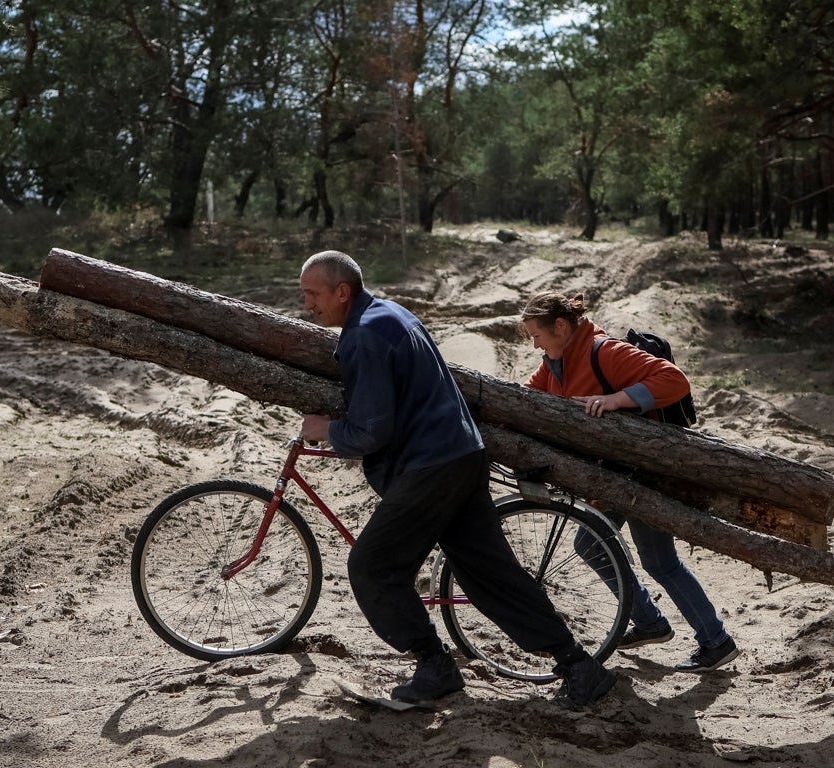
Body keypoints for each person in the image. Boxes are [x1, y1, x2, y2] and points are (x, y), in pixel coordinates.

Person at [298, 251, 616, 707]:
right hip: (461, 453)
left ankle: (434, 664)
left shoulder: (364, 335)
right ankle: (578, 666)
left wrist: (326, 430)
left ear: (341, 291)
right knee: (489, 571)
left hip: (430, 464)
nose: (307, 303)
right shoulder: (390, 313)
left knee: (372, 566)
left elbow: (372, 430)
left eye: (312, 294)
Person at [519, 290, 740, 674]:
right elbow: (527, 396)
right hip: (615, 477)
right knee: (612, 549)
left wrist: (619, 398)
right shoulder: (556, 363)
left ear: (560, 326)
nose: (534, 343)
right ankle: (655, 624)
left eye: (536, 334)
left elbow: (675, 381)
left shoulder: (603, 351)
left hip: (642, 473)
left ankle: (712, 641)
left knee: (649, 559)